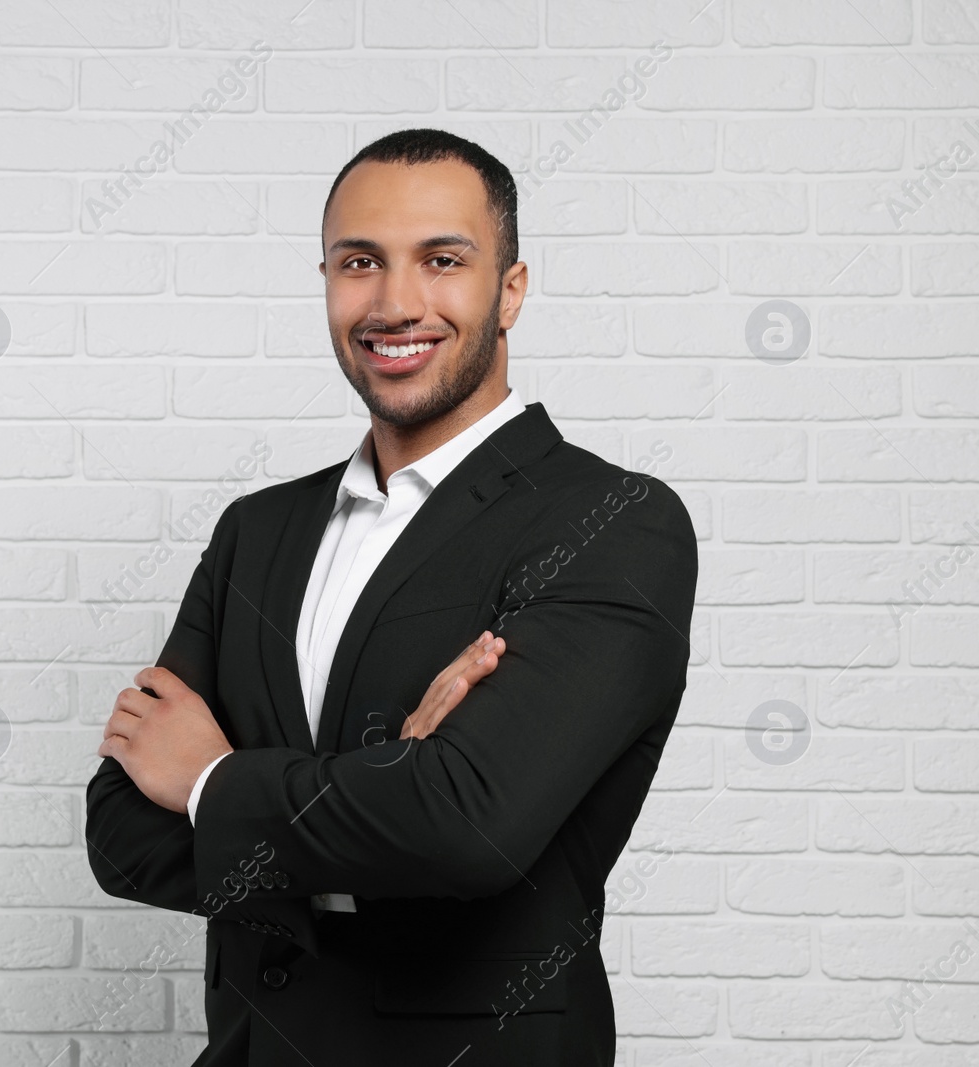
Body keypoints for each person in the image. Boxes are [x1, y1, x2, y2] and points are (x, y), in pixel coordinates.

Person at [86, 127, 698, 1065]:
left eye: (443, 260)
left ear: (513, 290)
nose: (395, 301)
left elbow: (468, 829)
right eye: (359, 261)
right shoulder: (258, 530)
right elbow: (121, 831)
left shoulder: (613, 521)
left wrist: (212, 781)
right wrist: (388, 791)